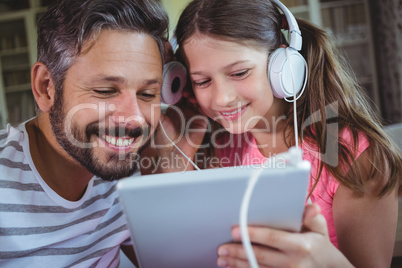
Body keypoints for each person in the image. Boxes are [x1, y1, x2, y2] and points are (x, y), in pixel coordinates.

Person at [152, 0, 402, 267]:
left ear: (283, 67)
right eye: (202, 81)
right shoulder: (220, 146)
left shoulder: (353, 157)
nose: (222, 98)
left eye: (239, 72)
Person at [0, 0, 170, 266]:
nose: (135, 119)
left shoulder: (129, 171)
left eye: (147, 94)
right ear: (46, 88)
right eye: (105, 91)